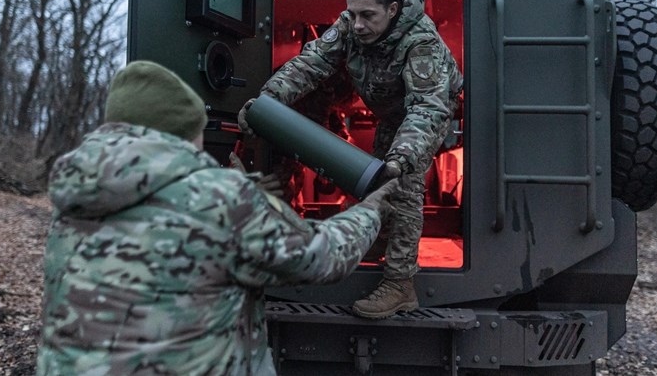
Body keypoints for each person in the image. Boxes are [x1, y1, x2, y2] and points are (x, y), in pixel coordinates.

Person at [37, 60, 398, 375]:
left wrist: (241, 193)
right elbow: (321, 257)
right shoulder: (222, 201)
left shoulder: (76, 198)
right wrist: (369, 210)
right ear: (181, 135)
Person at [238, 0, 463, 319]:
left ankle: (400, 284)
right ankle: (378, 239)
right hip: (390, 111)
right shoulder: (349, 24)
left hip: (428, 107)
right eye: (353, 13)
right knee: (375, 179)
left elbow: (426, 108)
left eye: (367, 15)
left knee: (402, 181)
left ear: (392, 9)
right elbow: (311, 63)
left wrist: (402, 159)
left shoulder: (422, 44)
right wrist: (267, 102)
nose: (356, 24)